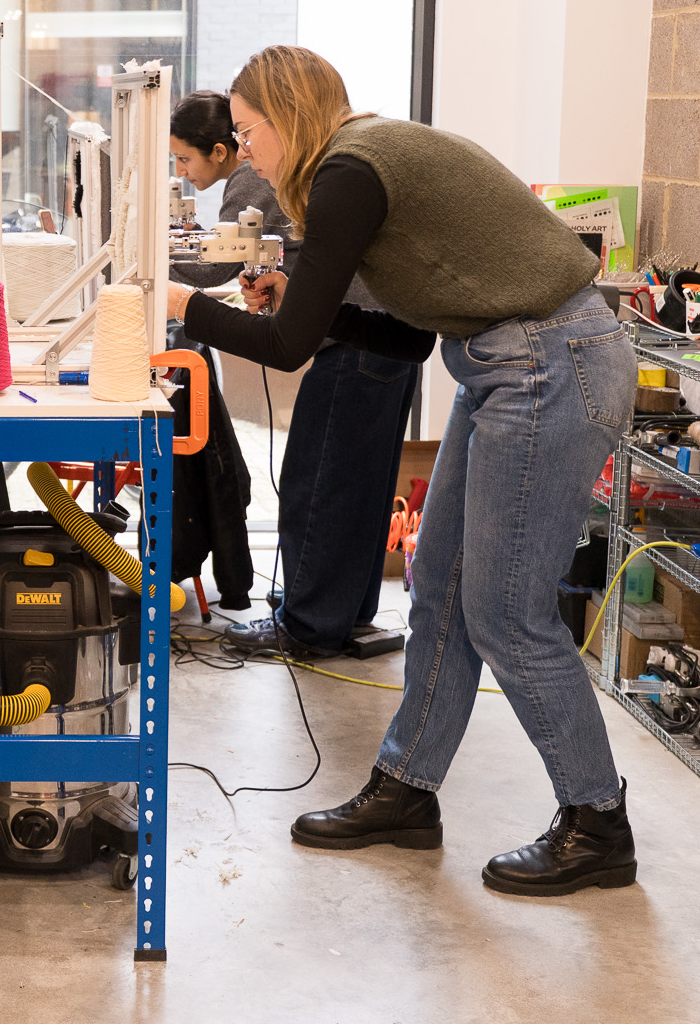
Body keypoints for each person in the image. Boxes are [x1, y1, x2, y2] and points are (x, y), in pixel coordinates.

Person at [165, 45, 638, 898]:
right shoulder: (366, 159)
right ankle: (408, 791)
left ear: (286, 115)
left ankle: (598, 820)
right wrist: (311, 299)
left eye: (249, 132)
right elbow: (405, 335)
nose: (250, 153)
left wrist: (181, 305)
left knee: (506, 612)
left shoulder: (350, 170)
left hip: (550, 365)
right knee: (441, 593)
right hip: (508, 365)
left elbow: (287, 345)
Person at [173, 91, 419, 658]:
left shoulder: (263, 177)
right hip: (386, 332)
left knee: (319, 484)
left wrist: (160, 277)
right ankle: (345, 616)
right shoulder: (333, 166)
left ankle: (306, 627)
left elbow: (217, 263)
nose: (246, 149)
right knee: (359, 487)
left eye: (247, 134)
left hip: (358, 339)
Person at [169, 89, 283, 290]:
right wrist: (193, 237)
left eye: (184, 159)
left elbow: (213, 269)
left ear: (219, 152)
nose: (179, 171)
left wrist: (150, 250)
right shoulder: (248, 175)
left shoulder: (252, 176)